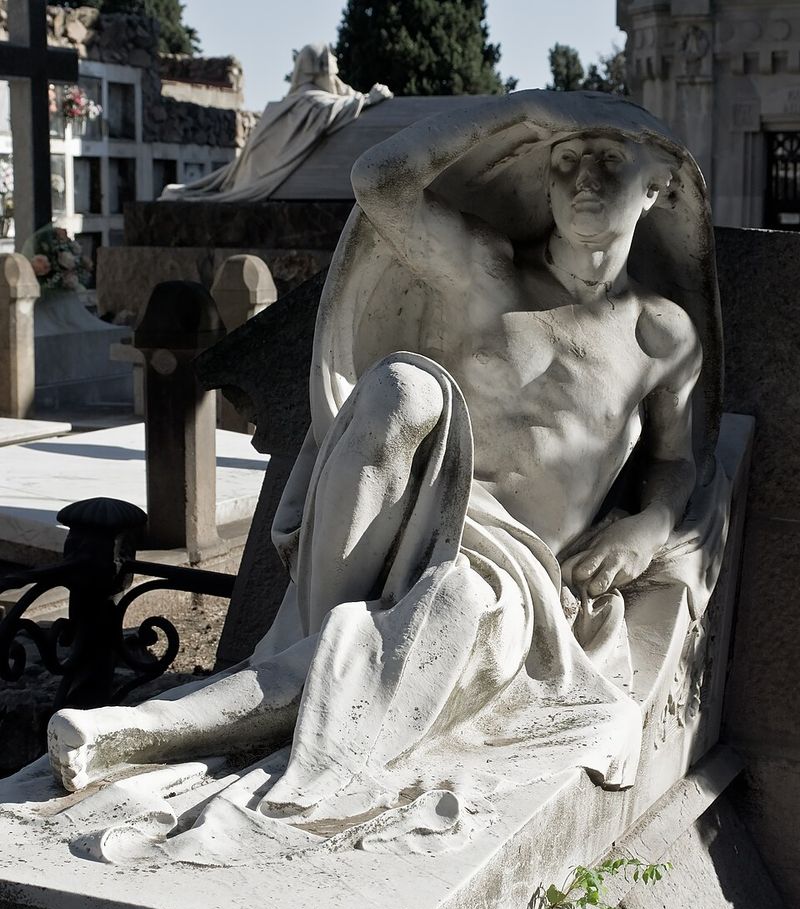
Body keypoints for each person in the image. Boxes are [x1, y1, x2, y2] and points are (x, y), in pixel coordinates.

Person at [44, 92, 728, 861]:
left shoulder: (662, 335)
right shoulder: (491, 274)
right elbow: (381, 182)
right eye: (564, 162)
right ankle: (304, 658)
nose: (580, 180)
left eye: (608, 162)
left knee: (452, 596)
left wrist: (649, 526)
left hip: (519, 571)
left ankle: (150, 729)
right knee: (405, 387)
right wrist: (521, 114)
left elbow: (676, 462)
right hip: (410, 519)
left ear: (659, 182)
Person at [160, 43, 392, 203]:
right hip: (259, 176)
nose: (336, 77)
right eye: (331, 69)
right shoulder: (309, 102)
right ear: (318, 70)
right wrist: (369, 99)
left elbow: (340, 95)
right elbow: (332, 107)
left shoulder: (293, 102)